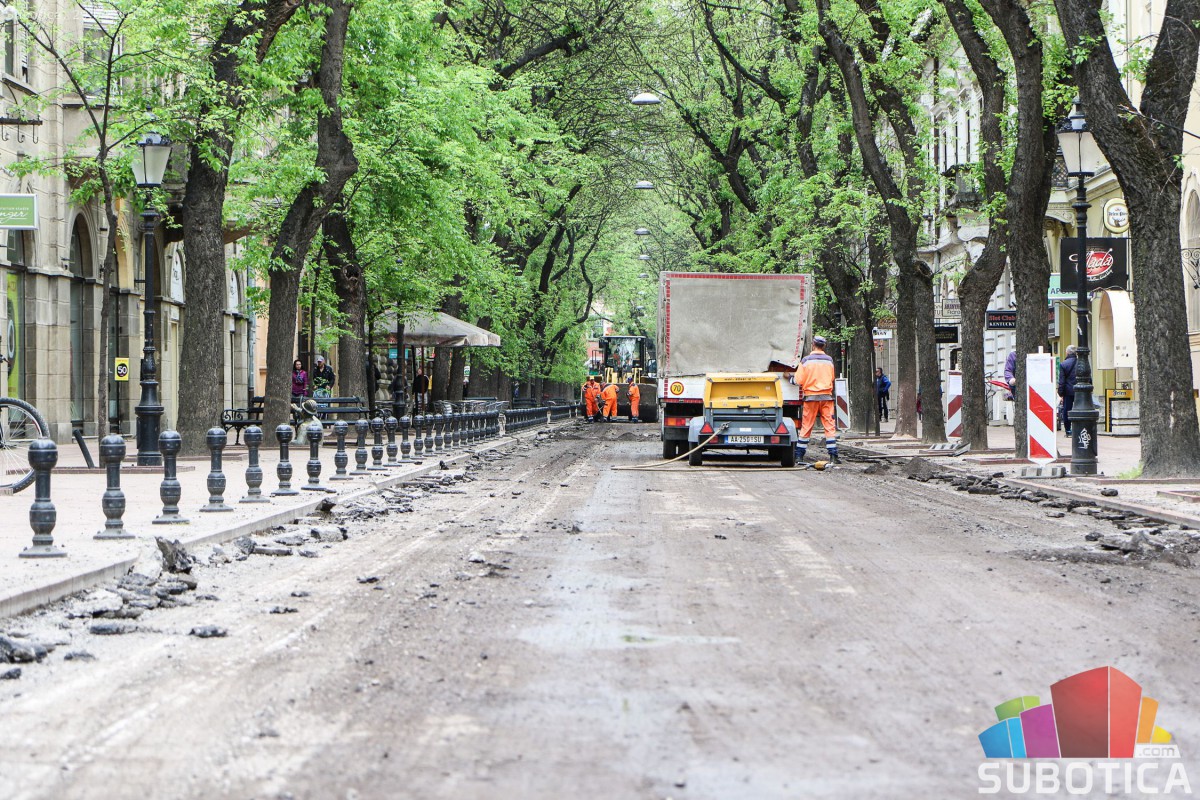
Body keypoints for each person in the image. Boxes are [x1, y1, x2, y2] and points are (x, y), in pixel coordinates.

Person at [792, 335, 839, 464]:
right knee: (829, 426)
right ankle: (833, 456)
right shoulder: (829, 360)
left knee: (806, 426)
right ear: (824, 346)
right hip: (826, 397)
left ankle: (799, 456)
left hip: (811, 398)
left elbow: (798, 380)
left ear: (813, 345)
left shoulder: (806, 361)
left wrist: (789, 378)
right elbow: (832, 378)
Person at [1057, 345, 1078, 436]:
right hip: (1080, 391)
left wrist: (1060, 393)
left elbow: (1061, 381)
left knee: (1067, 410)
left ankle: (1068, 430)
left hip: (1068, 391)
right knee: (1079, 410)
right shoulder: (1081, 363)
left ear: (1067, 353)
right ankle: (1078, 428)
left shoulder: (1063, 364)